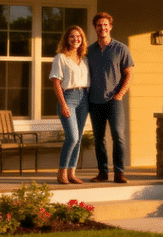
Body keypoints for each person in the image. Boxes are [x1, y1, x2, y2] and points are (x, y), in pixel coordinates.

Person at [86, 12, 134, 184]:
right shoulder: (89, 51)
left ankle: (119, 173)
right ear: (95, 28)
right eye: (99, 25)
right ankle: (103, 173)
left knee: (118, 136)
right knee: (99, 139)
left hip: (114, 101)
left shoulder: (121, 49)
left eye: (105, 25)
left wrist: (120, 94)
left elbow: (129, 74)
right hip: (95, 101)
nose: (103, 28)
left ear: (110, 27)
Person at [49, 25, 89, 185]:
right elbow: (56, 82)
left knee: (78, 138)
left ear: (82, 39)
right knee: (72, 137)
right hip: (69, 97)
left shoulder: (84, 59)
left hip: (83, 98)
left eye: (78, 36)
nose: (75, 39)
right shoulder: (60, 58)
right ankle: (61, 172)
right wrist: (63, 104)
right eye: (72, 36)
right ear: (67, 39)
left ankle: (72, 173)